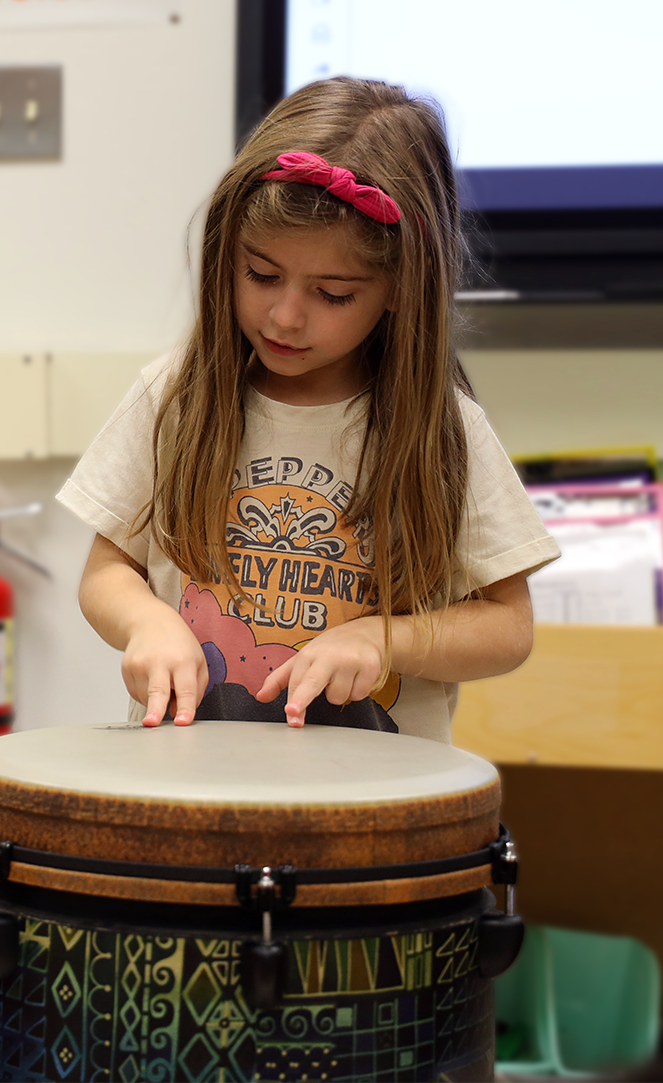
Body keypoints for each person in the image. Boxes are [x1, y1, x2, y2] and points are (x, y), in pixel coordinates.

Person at [60, 77, 559, 743]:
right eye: (261, 275)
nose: (285, 316)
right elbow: (106, 571)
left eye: (332, 293)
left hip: (373, 810)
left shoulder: (444, 432)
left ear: (398, 290)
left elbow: (507, 626)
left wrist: (387, 641)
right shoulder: (175, 396)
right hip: (192, 788)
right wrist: (145, 622)